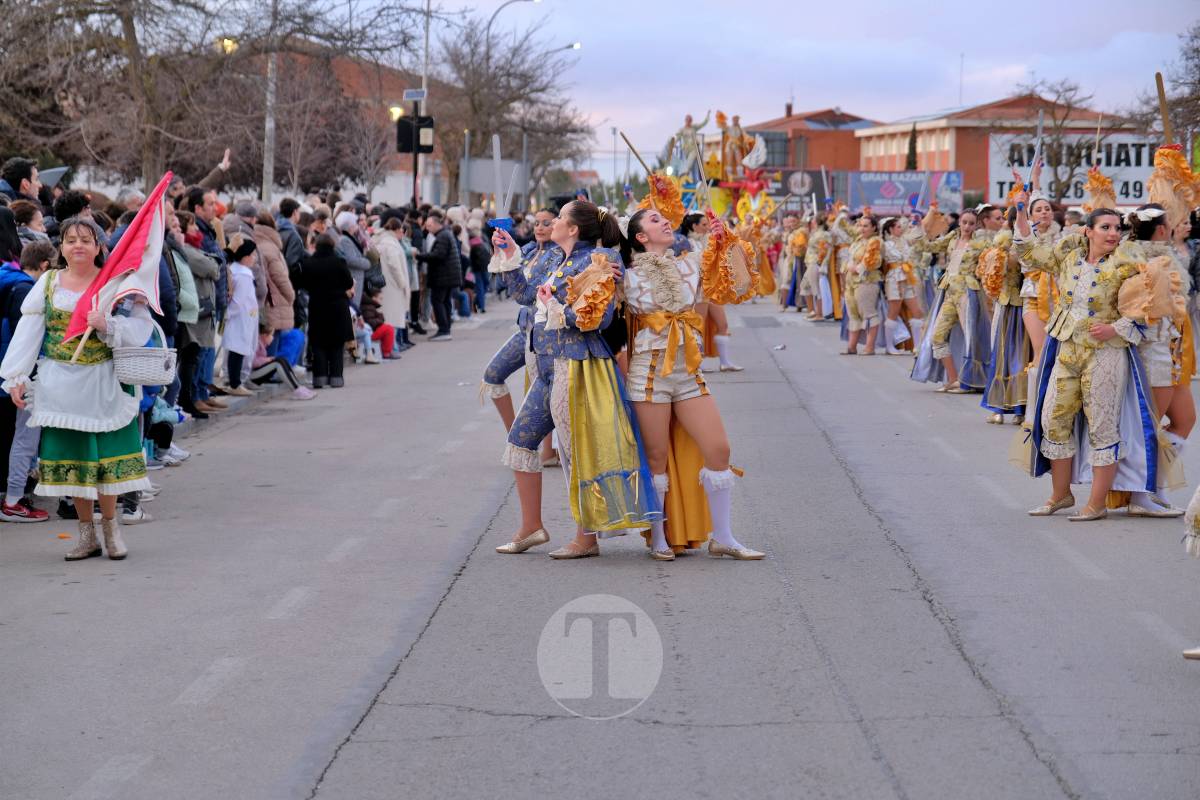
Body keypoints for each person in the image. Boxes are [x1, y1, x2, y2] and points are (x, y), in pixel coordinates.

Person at [489, 200, 659, 559]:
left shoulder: (601, 262)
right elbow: (523, 294)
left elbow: (596, 321)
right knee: (521, 441)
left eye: (560, 218)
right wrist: (509, 254)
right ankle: (532, 527)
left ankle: (587, 537)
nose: (552, 222)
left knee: (575, 449)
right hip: (548, 364)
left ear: (574, 228)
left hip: (578, 365)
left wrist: (557, 309)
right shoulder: (552, 257)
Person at [0, 216, 154, 559]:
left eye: (86, 240)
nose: (78, 246)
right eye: (70, 240)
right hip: (60, 387)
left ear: (99, 246)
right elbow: (29, 332)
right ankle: (87, 536)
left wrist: (108, 325)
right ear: (61, 248)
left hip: (105, 384)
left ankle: (112, 530)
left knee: (105, 463)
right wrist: (16, 376)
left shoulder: (113, 283)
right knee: (76, 465)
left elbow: (141, 328)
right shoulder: (48, 283)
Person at [1015, 197, 1176, 521]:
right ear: (1088, 232)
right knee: (1052, 419)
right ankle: (1060, 495)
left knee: (1102, 424)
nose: (1113, 233)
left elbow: (1153, 303)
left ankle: (1097, 503)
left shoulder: (1129, 260)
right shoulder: (1069, 257)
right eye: (1105, 227)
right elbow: (1031, 252)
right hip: (1067, 348)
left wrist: (1117, 326)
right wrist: (1021, 212)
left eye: (1117, 228)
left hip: (1107, 352)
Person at [623, 208, 763, 559]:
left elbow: (740, 283)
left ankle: (724, 537)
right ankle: (658, 535)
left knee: (719, 450)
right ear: (640, 237)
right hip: (648, 373)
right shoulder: (622, 276)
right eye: (654, 220)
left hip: (688, 371)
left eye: (663, 218)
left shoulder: (691, 263)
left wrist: (725, 240)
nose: (665, 222)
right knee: (656, 459)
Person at [480, 209, 561, 430]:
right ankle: (512, 434)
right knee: (493, 374)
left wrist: (509, 256)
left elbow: (529, 293)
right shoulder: (527, 250)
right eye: (537, 223)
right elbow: (509, 287)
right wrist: (502, 249)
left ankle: (544, 450)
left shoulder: (559, 255)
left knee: (543, 392)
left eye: (547, 223)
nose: (540, 228)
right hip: (525, 329)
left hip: (547, 334)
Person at [0, 240, 54, 522]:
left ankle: (13, 496)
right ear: (45, 266)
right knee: (26, 437)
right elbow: (31, 338)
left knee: (23, 436)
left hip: (19, 373)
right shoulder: (25, 290)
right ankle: (13, 500)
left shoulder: (10, 281)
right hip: (27, 374)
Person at [300, 232, 353, 388]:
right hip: (338, 306)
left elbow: (304, 283)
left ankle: (320, 378)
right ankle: (336, 377)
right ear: (332, 245)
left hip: (317, 305)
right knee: (337, 343)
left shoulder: (309, 263)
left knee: (318, 343)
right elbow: (349, 282)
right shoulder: (339, 262)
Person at [220, 234, 260, 397]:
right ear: (244, 257)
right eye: (252, 255)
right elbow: (239, 300)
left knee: (237, 349)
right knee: (237, 349)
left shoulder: (238, 271)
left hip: (243, 317)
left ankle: (235, 381)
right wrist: (228, 315)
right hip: (240, 318)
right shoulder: (243, 275)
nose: (254, 258)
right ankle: (235, 383)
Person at [416, 209, 459, 341]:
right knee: (444, 301)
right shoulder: (445, 234)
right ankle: (446, 328)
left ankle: (443, 329)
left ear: (435, 224)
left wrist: (419, 256)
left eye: (429, 226)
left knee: (438, 301)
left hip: (443, 276)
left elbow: (438, 255)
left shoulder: (442, 236)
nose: (427, 229)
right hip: (447, 275)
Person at [249, 324, 314, 400]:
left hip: (256, 376)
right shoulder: (256, 344)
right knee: (278, 362)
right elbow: (252, 362)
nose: (273, 338)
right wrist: (267, 360)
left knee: (281, 359)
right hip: (251, 378)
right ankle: (297, 390)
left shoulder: (261, 344)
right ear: (264, 335)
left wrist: (268, 360)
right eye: (271, 336)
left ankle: (298, 387)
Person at [360, 286, 400, 360]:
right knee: (389, 329)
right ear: (374, 298)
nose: (381, 301)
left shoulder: (369, 306)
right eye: (380, 298)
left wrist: (379, 318)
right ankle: (386, 353)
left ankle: (389, 351)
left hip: (370, 331)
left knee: (387, 328)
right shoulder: (368, 307)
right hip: (368, 333)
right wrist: (380, 319)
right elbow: (370, 322)